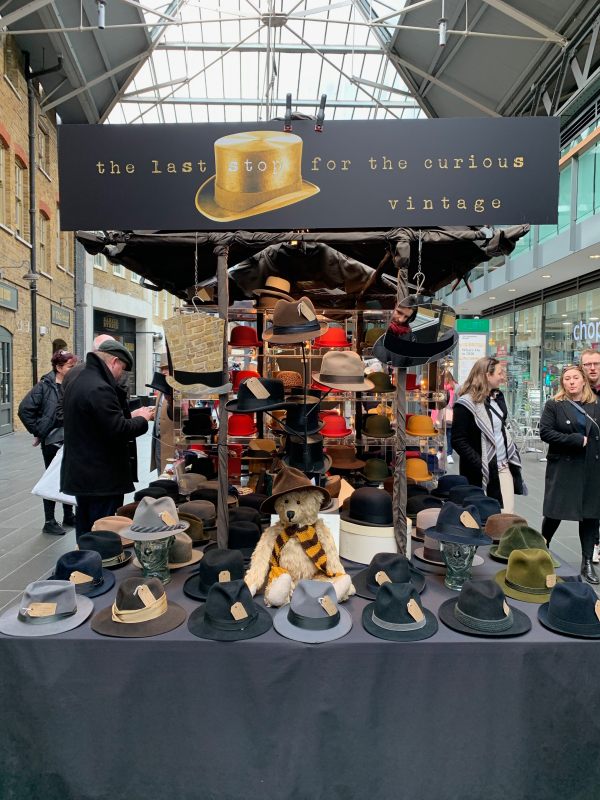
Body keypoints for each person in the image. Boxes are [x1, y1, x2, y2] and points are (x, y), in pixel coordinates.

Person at [61, 339, 155, 539]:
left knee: (86, 528)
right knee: (103, 531)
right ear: (114, 362)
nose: (122, 374)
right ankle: (97, 565)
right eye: (122, 368)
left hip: (84, 474)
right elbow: (118, 429)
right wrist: (142, 418)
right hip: (100, 477)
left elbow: (99, 421)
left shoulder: (79, 378)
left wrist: (131, 414)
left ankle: (84, 565)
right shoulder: (100, 387)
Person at [539, 364, 600, 584]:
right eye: (567, 379)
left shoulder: (596, 404)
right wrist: (573, 440)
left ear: (583, 380)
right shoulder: (555, 405)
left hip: (592, 468)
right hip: (564, 466)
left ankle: (586, 563)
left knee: (590, 515)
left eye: (575, 378)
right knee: (555, 511)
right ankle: (541, 548)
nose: (571, 382)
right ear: (562, 383)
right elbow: (545, 432)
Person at [452, 356, 524, 513]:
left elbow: (500, 429)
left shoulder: (497, 398)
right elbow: (458, 440)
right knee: (483, 516)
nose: (503, 377)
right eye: (500, 373)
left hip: (503, 465)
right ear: (487, 375)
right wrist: (481, 463)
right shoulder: (465, 404)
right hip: (479, 471)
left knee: (506, 514)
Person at [18, 350, 78, 535]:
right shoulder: (44, 386)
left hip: (70, 438)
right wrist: (39, 431)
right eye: (70, 366)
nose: (73, 369)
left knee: (69, 476)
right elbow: (24, 409)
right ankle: (49, 520)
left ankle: (69, 515)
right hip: (53, 440)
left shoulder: (72, 384)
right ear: (59, 368)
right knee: (51, 478)